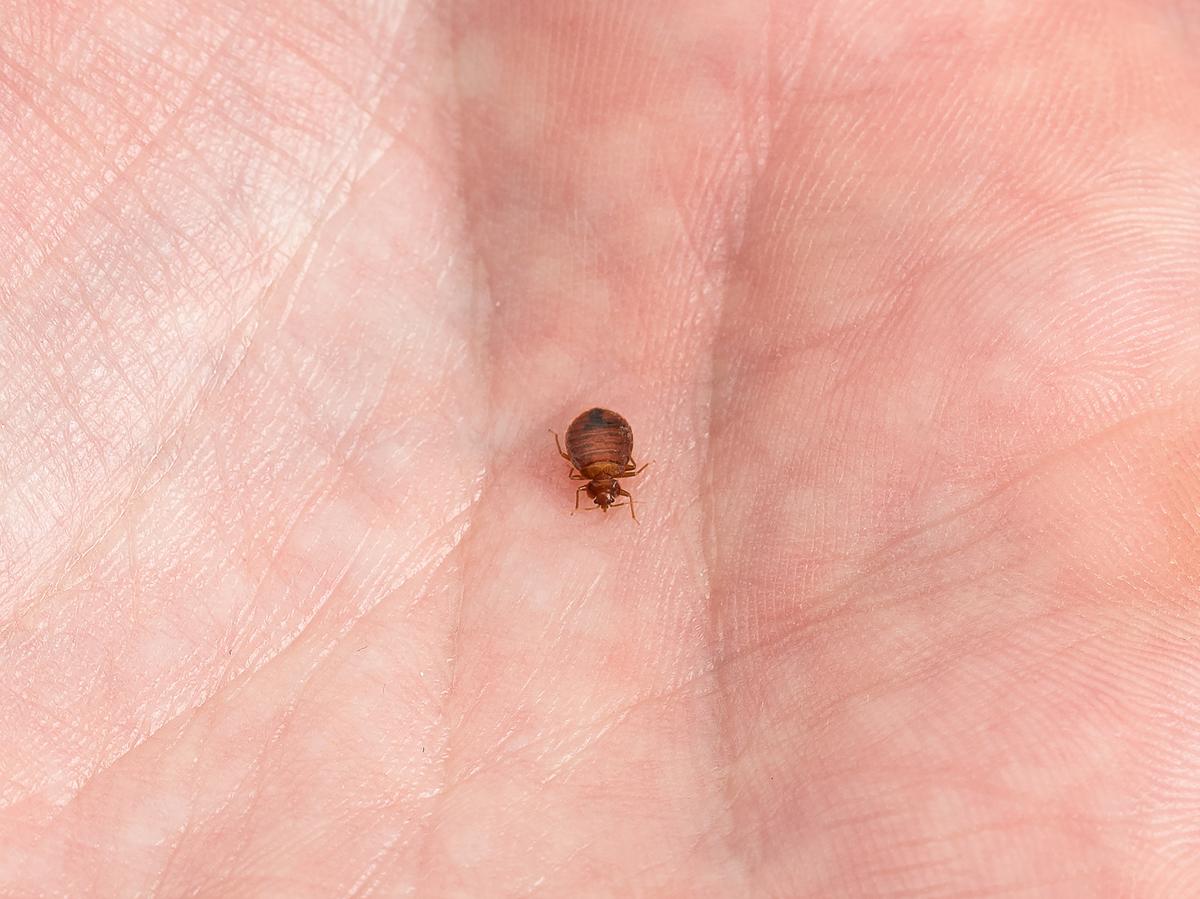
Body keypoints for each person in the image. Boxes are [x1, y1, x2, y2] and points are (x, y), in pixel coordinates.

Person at [2, 1, 1197, 894]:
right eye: (600, 478)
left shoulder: (593, 464)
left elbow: (590, 449)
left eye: (601, 478)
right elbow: (590, 448)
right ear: (600, 471)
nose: (600, 483)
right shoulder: (593, 464)